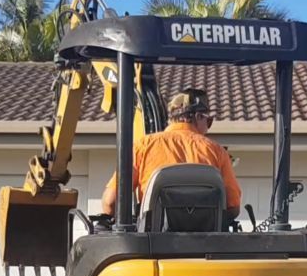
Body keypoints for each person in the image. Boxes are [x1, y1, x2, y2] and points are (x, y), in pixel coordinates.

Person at [101, 88, 242, 219]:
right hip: (205, 243)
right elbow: (233, 207)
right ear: (198, 117)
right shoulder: (217, 152)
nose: (208, 128)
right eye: (208, 121)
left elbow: (110, 203)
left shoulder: (143, 147)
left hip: (152, 242)